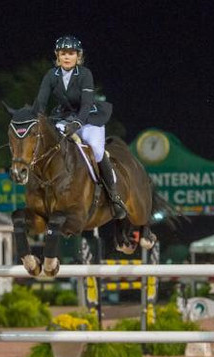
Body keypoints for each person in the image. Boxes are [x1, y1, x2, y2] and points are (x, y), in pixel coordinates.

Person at [32, 35, 126, 219]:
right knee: (49, 144)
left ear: (78, 56)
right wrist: (36, 117)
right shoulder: (51, 75)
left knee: (97, 151)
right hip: (64, 117)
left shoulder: (84, 74)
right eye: (63, 53)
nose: (67, 57)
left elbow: (86, 104)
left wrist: (77, 123)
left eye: (71, 53)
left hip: (88, 118)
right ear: (57, 56)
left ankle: (114, 196)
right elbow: (41, 102)